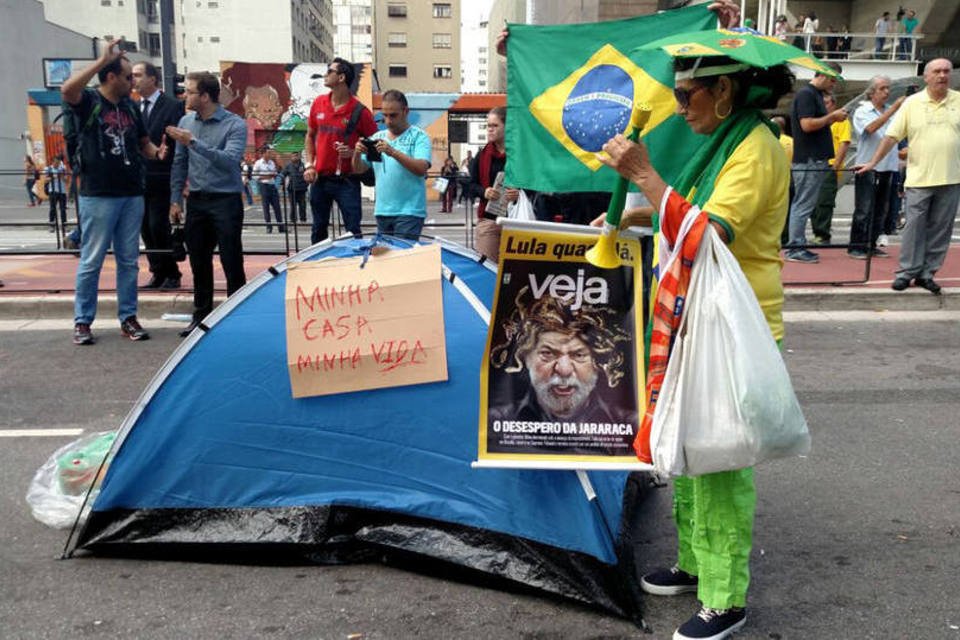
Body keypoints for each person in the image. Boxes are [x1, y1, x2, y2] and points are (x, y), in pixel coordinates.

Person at [599, 53, 794, 640]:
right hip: (695, 321)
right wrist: (641, 210)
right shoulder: (723, 143)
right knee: (689, 453)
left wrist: (643, 175)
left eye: (688, 96)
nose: (680, 108)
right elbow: (686, 214)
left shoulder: (756, 148)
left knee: (721, 463)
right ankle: (694, 565)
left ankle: (725, 597)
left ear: (726, 91)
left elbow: (707, 234)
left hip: (735, 327)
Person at [61, 38, 167, 346]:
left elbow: (143, 144)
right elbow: (67, 91)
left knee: (128, 260)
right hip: (98, 194)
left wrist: (157, 152)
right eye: (127, 76)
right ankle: (83, 321)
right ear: (110, 77)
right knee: (92, 259)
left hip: (132, 192)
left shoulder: (131, 108)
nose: (132, 81)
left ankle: (128, 317)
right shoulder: (90, 102)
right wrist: (100, 60)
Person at [857, 58, 960, 294]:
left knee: (940, 230)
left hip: (951, 178)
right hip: (919, 179)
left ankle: (927, 273)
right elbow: (890, 137)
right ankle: (906, 272)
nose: (942, 75)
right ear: (926, 76)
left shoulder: (958, 101)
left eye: (946, 71)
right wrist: (873, 162)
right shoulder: (912, 104)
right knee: (913, 228)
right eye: (937, 71)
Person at [167, 71, 248, 337]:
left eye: (189, 91)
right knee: (198, 261)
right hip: (198, 200)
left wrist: (193, 142)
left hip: (226, 200)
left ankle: (237, 317)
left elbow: (229, 160)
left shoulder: (235, 124)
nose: (184, 95)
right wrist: (175, 199)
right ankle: (200, 316)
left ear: (204, 96)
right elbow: (179, 162)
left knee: (231, 260)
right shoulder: (185, 120)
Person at [488, 292, 635, 425]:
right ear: (525, 357)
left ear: (598, 361)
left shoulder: (632, 426)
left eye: (578, 355)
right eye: (548, 354)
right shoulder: (495, 422)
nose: (564, 370)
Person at [303, 57, 377, 244]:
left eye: (330, 71)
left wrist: (354, 152)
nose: (326, 74)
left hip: (347, 180)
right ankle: (320, 268)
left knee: (353, 229)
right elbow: (310, 135)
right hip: (320, 179)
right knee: (318, 229)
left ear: (342, 77)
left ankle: (353, 268)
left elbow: (375, 146)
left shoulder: (360, 111)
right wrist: (309, 165)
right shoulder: (318, 103)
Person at [785, 61, 846, 263]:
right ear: (824, 75)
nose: (833, 85)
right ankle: (795, 247)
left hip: (812, 159)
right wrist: (832, 117)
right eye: (832, 80)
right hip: (809, 159)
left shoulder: (813, 95)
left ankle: (797, 244)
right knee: (803, 204)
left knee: (803, 203)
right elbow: (807, 125)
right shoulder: (807, 95)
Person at [132, 60, 185, 290]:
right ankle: (157, 272)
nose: (133, 80)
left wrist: (181, 181)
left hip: (163, 176)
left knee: (157, 225)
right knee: (144, 227)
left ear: (152, 78)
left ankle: (172, 272)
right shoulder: (132, 107)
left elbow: (179, 145)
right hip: (139, 178)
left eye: (138, 75)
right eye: (131, 75)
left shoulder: (172, 105)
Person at [352, 89, 431, 240]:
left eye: (393, 115)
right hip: (383, 211)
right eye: (385, 116)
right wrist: (357, 152)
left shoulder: (419, 136)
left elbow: (421, 168)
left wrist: (393, 152)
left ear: (405, 111)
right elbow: (358, 169)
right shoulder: (377, 137)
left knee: (402, 258)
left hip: (410, 211)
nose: (388, 121)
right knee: (387, 259)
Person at [849, 76, 904, 259]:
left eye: (888, 88)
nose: (887, 92)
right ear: (871, 92)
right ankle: (856, 246)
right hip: (867, 165)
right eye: (882, 88)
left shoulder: (891, 111)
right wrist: (895, 109)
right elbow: (871, 129)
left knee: (881, 209)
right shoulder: (862, 111)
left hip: (888, 165)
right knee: (864, 208)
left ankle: (871, 244)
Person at [469, 107, 518, 261]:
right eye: (488, 125)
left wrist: (519, 193)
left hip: (517, 219)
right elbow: (470, 184)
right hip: (489, 220)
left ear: (507, 126)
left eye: (494, 126)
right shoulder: (483, 154)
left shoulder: (520, 154)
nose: (489, 130)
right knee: (487, 268)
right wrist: (484, 191)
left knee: (513, 272)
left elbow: (535, 183)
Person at [810, 92, 850, 245]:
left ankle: (823, 234)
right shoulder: (819, 121)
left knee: (824, 201)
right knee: (813, 201)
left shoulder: (841, 122)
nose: (823, 106)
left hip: (829, 165)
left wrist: (835, 166)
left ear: (833, 104)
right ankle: (816, 232)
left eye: (826, 103)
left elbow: (844, 143)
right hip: (815, 165)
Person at [253, 146, 283, 233]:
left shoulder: (271, 162)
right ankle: (269, 227)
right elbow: (255, 177)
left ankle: (281, 227)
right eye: (268, 152)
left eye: (270, 152)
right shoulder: (258, 163)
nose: (270, 154)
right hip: (264, 186)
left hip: (272, 186)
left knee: (277, 207)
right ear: (263, 154)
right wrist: (267, 176)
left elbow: (275, 173)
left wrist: (271, 174)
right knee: (266, 207)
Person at [281, 152, 309, 223]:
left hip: (302, 188)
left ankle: (303, 219)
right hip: (292, 189)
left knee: (302, 205)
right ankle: (293, 220)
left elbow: (308, 174)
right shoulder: (288, 165)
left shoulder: (303, 165)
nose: (295, 157)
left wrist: (306, 184)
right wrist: (282, 184)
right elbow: (283, 174)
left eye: (296, 156)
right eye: (293, 156)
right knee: (293, 205)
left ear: (299, 156)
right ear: (291, 157)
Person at [45, 155, 68, 232]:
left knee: (63, 209)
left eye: (58, 163)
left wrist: (61, 176)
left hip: (62, 191)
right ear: (53, 162)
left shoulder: (62, 169)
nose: (57, 164)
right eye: (55, 163)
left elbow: (66, 180)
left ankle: (64, 225)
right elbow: (46, 180)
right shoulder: (49, 169)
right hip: (53, 191)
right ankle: (52, 225)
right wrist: (53, 177)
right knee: (52, 209)